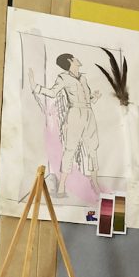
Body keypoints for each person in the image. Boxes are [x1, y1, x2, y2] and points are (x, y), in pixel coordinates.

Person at [29, 53, 101, 198]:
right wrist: (34, 86)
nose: (77, 59)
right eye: (75, 58)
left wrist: (94, 97)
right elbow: (52, 92)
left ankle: (94, 182)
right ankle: (61, 186)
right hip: (74, 114)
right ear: (70, 61)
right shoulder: (63, 77)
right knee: (70, 149)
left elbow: (88, 99)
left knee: (93, 148)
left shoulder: (84, 77)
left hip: (89, 113)